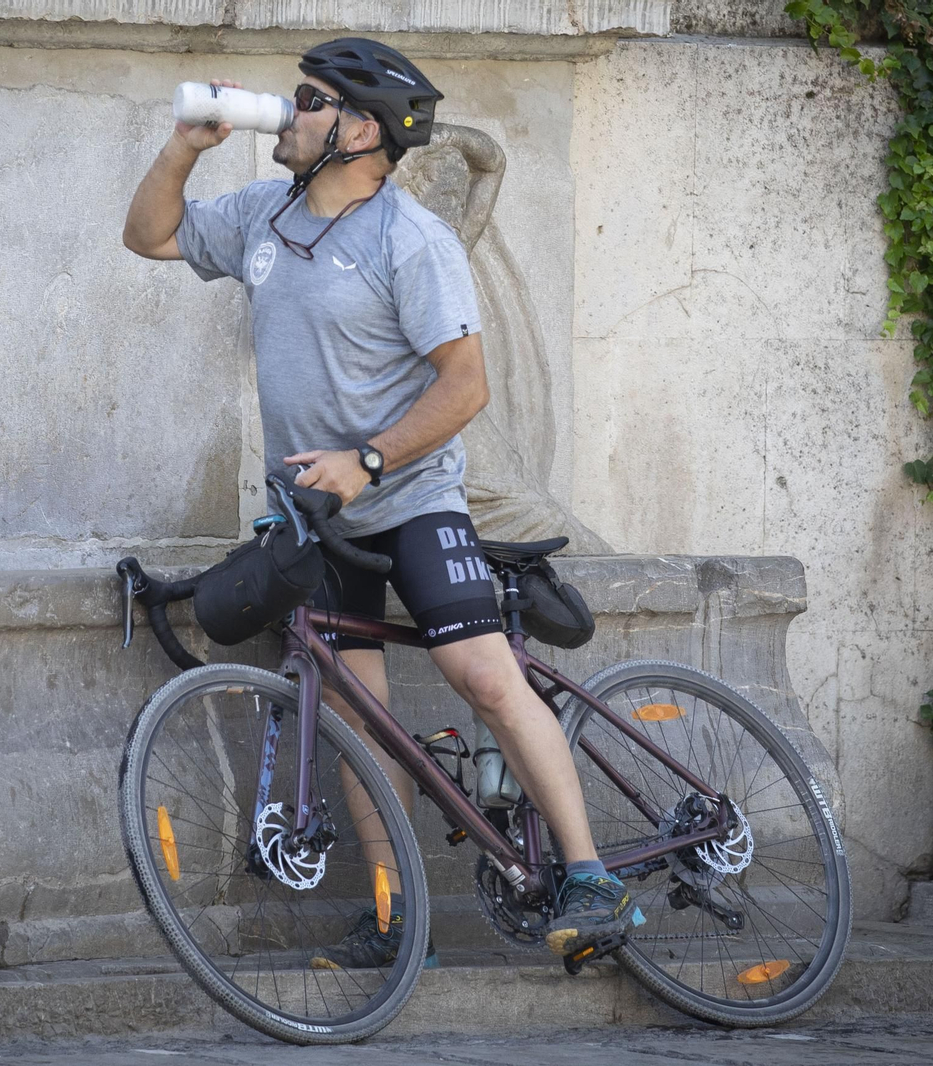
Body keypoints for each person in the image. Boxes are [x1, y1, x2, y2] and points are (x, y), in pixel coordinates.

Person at [122, 37, 637, 969]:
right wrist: (185, 146)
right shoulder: (266, 215)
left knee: (482, 672)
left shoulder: (412, 240)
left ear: (360, 129)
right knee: (360, 712)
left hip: (412, 501)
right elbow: (150, 235)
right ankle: (401, 917)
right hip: (315, 518)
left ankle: (591, 873)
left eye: (310, 101)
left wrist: (369, 456)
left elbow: (465, 385)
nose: (289, 112)